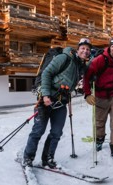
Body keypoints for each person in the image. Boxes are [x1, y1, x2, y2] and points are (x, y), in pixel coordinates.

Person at [23, 38, 92, 168]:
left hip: (61, 103)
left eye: (88, 49)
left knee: (56, 132)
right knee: (38, 131)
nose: (85, 51)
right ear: (78, 49)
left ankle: (48, 158)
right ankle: (28, 157)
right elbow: (47, 74)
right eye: (83, 48)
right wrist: (45, 95)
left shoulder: (80, 66)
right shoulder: (64, 58)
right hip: (46, 100)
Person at [83, 36, 113, 161]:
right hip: (100, 95)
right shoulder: (100, 60)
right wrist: (87, 94)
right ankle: (99, 140)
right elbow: (87, 76)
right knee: (99, 122)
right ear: (109, 47)